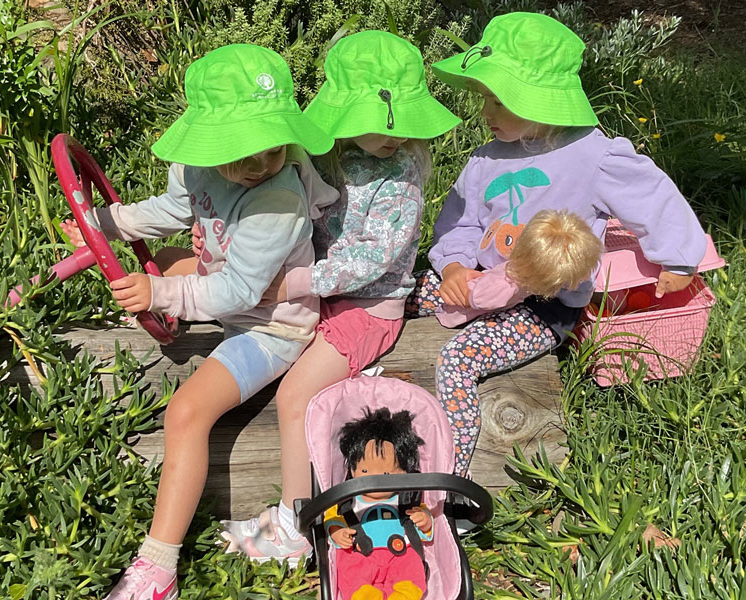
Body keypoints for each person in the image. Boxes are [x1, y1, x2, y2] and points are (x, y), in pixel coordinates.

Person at [61, 44, 337, 600]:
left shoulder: (277, 200)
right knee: (153, 264)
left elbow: (239, 291)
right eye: (241, 153)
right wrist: (106, 223)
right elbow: (174, 210)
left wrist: (161, 293)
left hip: (269, 325)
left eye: (272, 148)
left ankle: (157, 566)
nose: (261, 165)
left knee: (186, 412)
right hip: (230, 287)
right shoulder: (198, 163)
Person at [405, 12, 708, 477]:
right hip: (481, 279)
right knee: (396, 295)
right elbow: (460, 221)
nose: (486, 111)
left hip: (543, 306)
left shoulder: (594, 156)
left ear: (542, 101)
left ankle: (451, 480)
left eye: (500, 100)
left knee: (460, 360)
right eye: (485, 97)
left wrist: (679, 258)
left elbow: (653, 196)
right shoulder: (486, 158)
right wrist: (453, 267)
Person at [217, 30, 460, 563]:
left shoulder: (399, 180)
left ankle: (295, 523)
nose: (393, 138)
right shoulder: (333, 155)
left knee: (293, 396)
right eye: (376, 126)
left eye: (400, 127)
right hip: (325, 293)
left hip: (368, 308)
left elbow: (370, 258)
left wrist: (299, 282)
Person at [324, 407, 433, 600]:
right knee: (350, 571)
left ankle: (403, 596)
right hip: (360, 553)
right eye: (365, 472)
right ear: (352, 469)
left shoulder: (406, 498)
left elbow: (424, 523)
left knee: (412, 569)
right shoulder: (348, 500)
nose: (374, 481)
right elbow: (332, 519)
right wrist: (336, 531)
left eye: (386, 474)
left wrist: (425, 521)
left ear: (405, 472)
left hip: (401, 552)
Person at [435, 209, 604, 328]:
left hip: (460, 307)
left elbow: (476, 297)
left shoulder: (510, 275)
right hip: (455, 312)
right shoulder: (508, 284)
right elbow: (476, 299)